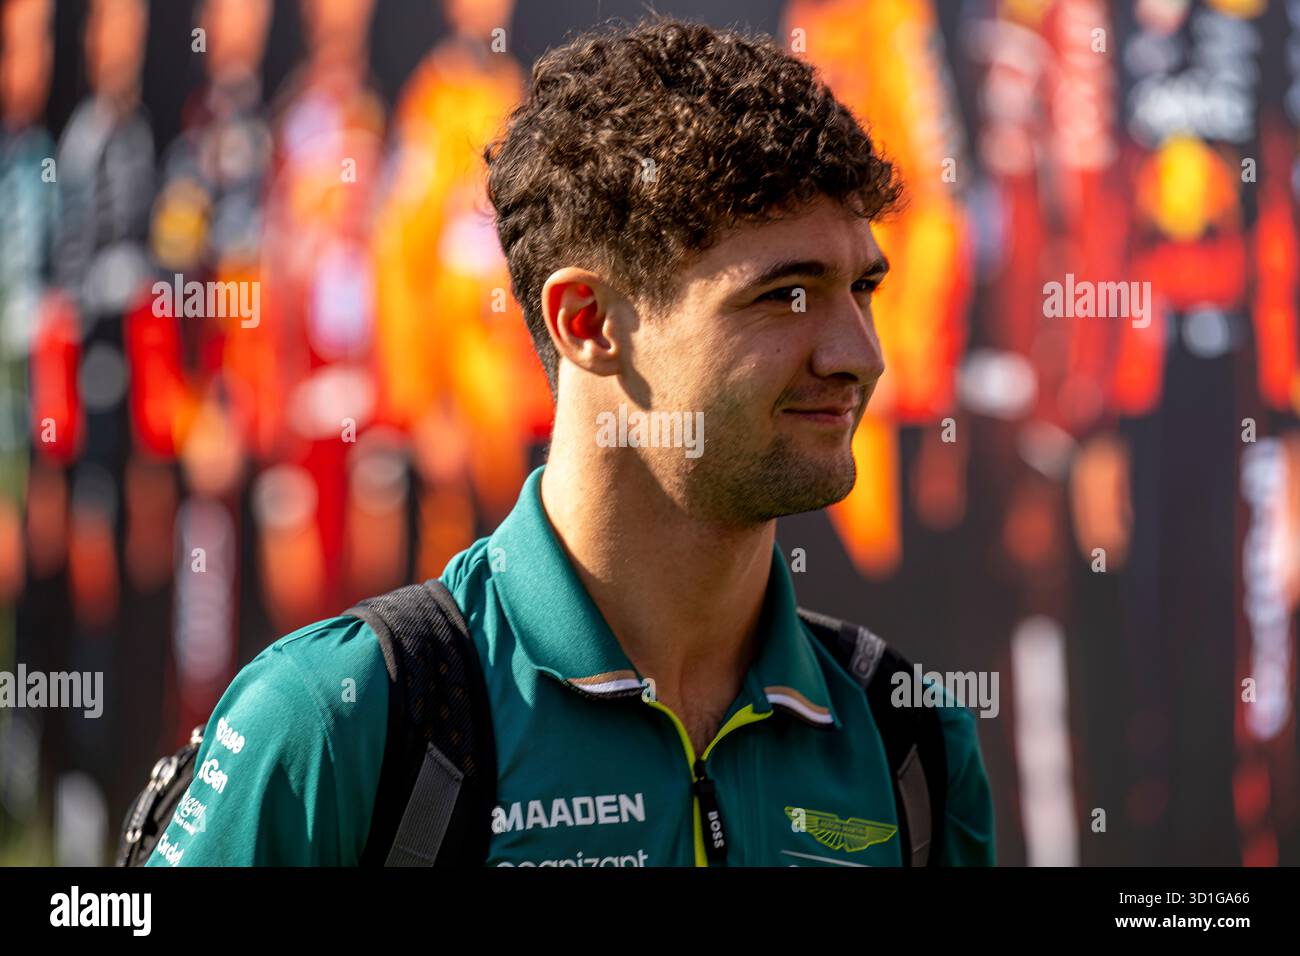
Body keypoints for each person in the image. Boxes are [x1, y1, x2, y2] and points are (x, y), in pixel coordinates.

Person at [146, 15, 996, 867]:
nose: (860, 355)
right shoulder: (336, 721)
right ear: (587, 323)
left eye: (864, 288)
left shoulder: (907, 737)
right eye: (786, 296)